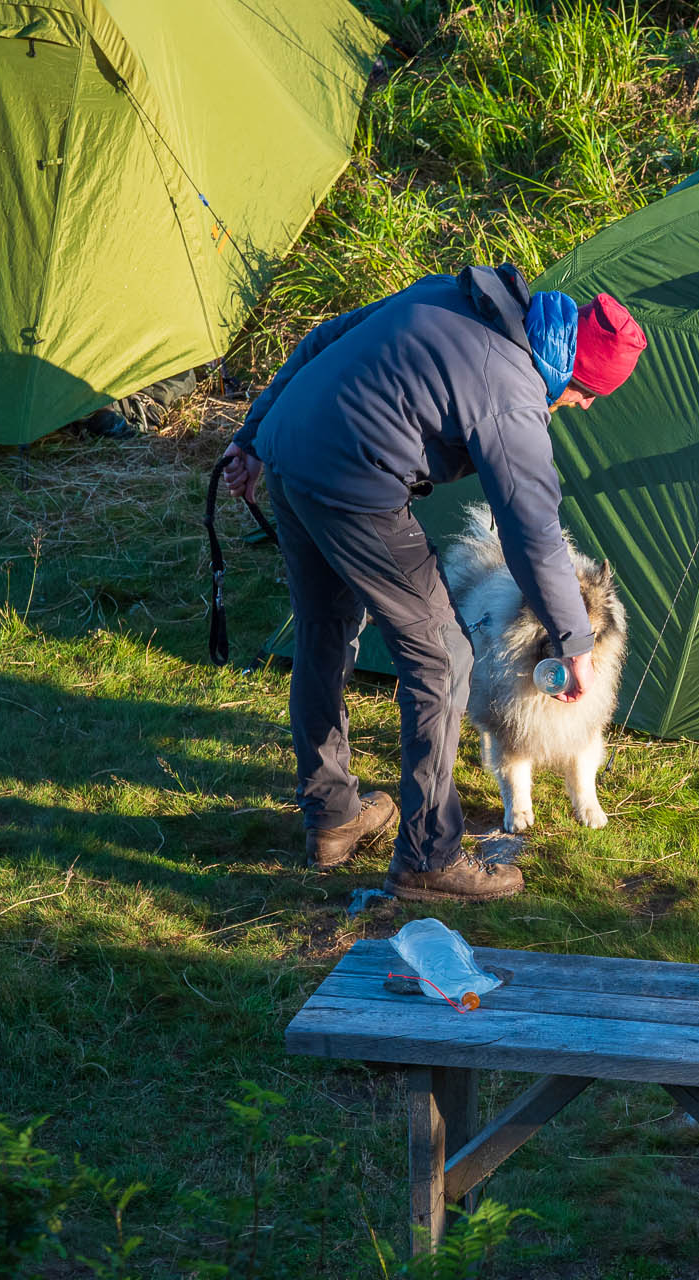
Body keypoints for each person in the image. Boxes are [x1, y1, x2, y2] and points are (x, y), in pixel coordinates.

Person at [219, 265, 646, 902]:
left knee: (324, 634)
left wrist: (253, 437)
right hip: (353, 487)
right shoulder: (513, 391)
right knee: (443, 658)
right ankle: (429, 855)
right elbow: (532, 530)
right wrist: (574, 641)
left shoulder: (456, 295)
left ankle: (332, 817)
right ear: (574, 372)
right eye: (588, 394)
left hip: (290, 456)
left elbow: (323, 340)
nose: (582, 406)